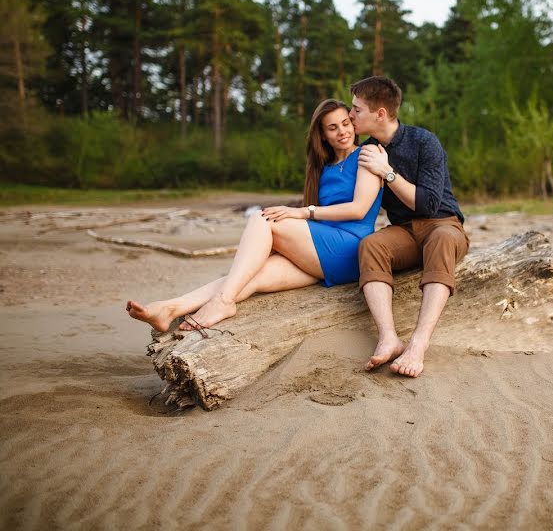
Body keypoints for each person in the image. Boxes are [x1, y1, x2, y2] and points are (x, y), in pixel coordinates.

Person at [126, 99, 383, 334]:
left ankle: (224, 302)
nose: (342, 131)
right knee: (250, 274)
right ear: (323, 135)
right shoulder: (323, 169)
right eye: (332, 127)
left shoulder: (367, 155)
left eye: (346, 123)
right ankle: (170, 308)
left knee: (262, 219)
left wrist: (303, 212)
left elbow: (359, 209)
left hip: (350, 247)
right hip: (320, 252)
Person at [350, 76, 469, 378]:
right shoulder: (369, 149)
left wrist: (387, 172)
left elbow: (429, 204)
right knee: (371, 245)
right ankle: (388, 337)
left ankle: (418, 343)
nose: (351, 116)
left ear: (380, 114)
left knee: (441, 237)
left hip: (443, 224)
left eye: (356, 110)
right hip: (404, 231)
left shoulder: (424, 142)